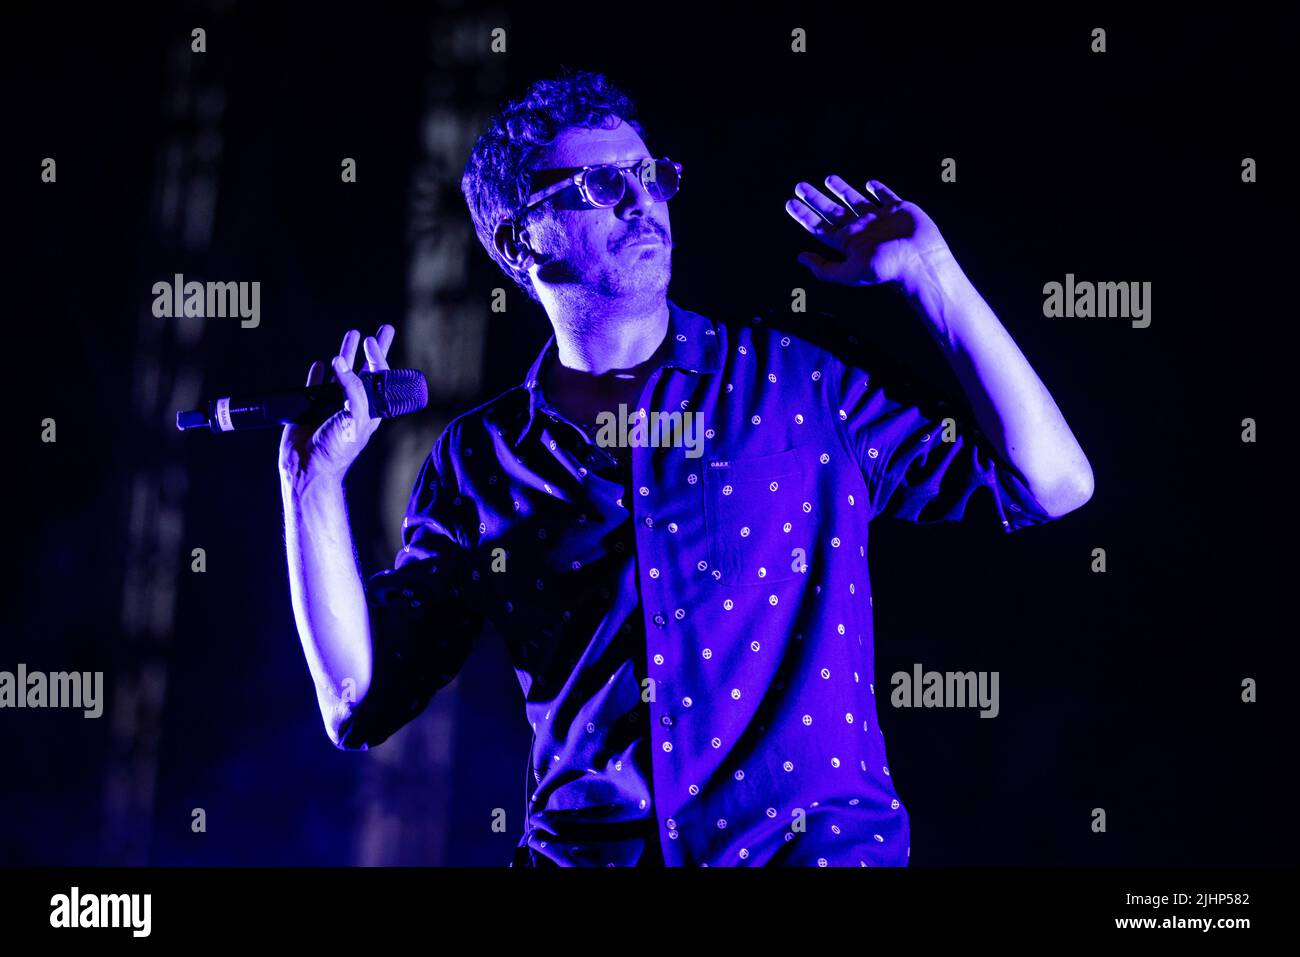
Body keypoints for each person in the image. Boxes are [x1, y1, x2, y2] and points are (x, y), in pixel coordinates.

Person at [277, 69, 1094, 867]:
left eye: (649, 176)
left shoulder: (797, 377)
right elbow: (359, 699)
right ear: (521, 237)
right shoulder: (478, 459)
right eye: (601, 186)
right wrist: (312, 483)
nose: (644, 203)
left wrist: (931, 274)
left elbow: (1051, 482)